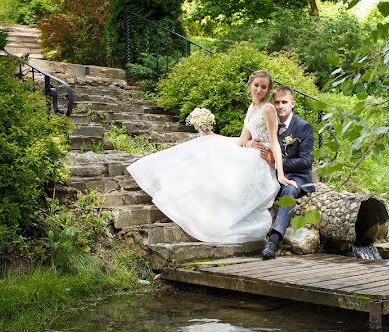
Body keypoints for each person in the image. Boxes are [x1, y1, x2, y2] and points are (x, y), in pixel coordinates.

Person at [126, 70, 296, 244]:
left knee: (221, 160)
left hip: (261, 158)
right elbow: (242, 139)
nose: (259, 90)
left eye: (264, 87)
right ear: (250, 85)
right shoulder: (252, 108)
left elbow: (274, 142)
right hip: (249, 151)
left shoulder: (267, 109)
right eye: (256, 85)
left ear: (268, 90)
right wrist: (214, 135)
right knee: (208, 144)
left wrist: (280, 173)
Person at [245, 85, 315, 260]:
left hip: (298, 177)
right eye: (276, 102)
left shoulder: (303, 127)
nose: (280, 106)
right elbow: (249, 138)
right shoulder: (270, 121)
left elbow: (307, 161)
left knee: (289, 191)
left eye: (284, 102)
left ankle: (273, 241)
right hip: (271, 174)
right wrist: (249, 144)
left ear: (293, 103)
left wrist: (277, 162)